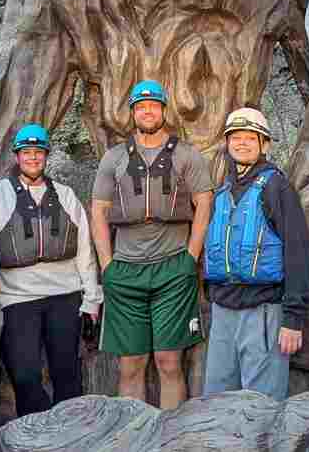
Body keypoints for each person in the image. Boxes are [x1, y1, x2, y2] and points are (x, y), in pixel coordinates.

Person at [89, 79, 213, 410]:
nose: (147, 111)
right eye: (140, 106)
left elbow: (205, 202)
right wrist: (106, 265)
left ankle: (171, 440)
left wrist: (191, 256)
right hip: (126, 270)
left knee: (169, 362)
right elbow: (98, 211)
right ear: (133, 112)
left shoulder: (186, 155)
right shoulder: (114, 158)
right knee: (131, 365)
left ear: (163, 111)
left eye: (153, 105)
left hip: (174, 267)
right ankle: (133, 438)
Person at [0, 123, 102, 417]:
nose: (32, 158)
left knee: (67, 374)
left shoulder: (65, 195)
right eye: (26, 152)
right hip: (16, 298)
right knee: (25, 375)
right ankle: (35, 435)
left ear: (46, 156)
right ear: (17, 156)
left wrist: (92, 298)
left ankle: (72, 434)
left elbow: (84, 251)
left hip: (65, 294)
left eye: (38, 152)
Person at [202, 107, 309, 401]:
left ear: (264, 144)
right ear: (227, 144)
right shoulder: (222, 191)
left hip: (263, 313)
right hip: (223, 311)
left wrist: (293, 319)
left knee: (261, 406)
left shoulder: (277, 188)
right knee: (217, 401)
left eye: (250, 137)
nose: (241, 143)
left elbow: (298, 253)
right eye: (235, 137)